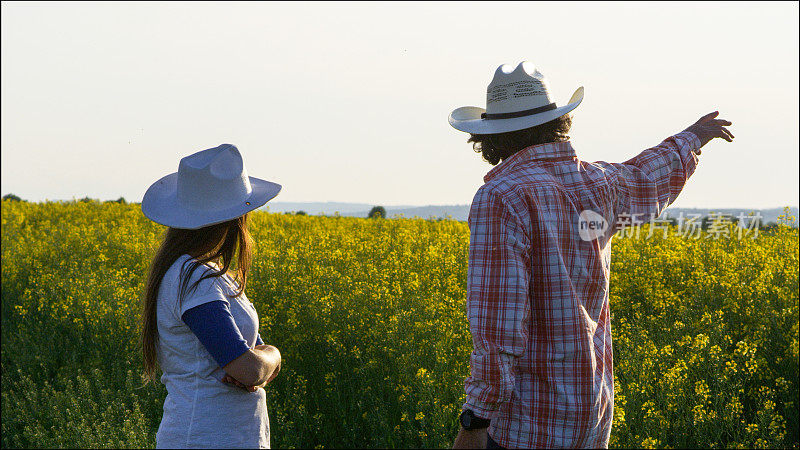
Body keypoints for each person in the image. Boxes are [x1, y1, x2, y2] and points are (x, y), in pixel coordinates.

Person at [448, 62, 733, 449]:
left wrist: (475, 420)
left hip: (529, 425)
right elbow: (647, 176)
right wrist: (694, 137)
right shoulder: (597, 183)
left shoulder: (501, 198)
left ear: (493, 136)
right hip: (591, 417)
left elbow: (499, 327)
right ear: (556, 122)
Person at [139, 143, 284, 448]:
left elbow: (254, 355)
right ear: (234, 219)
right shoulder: (196, 279)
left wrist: (264, 360)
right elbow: (248, 368)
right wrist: (260, 364)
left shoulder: (207, 276)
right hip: (206, 437)